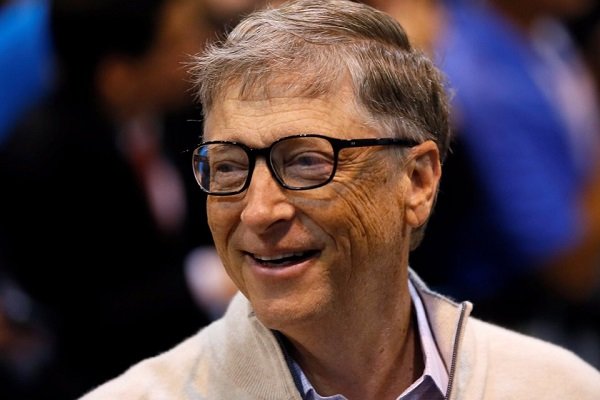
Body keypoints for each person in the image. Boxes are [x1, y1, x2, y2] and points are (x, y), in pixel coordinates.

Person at [79, 1, 600, 399]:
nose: (258, 211)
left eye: (306, 162)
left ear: (417, 181)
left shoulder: (557, 388)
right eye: (229, 167)